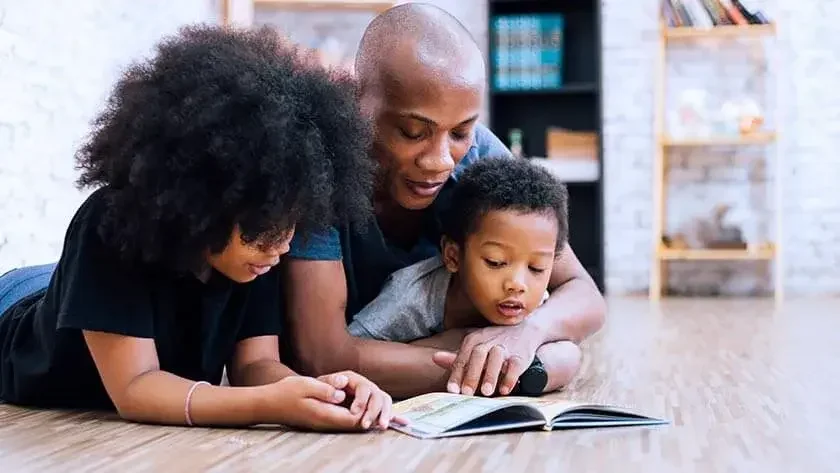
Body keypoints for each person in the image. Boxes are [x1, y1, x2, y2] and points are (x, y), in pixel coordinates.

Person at [0, 25, 404, 432]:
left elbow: (256, 365)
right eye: (265, 230)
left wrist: (325, 393)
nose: (281, 246)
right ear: (205, 199)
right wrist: (270, 405)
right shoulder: (109, 225)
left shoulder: (260, 249)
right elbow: (136, 388)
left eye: (292, 227)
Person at [282, 3, 606, 400]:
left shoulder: (480, 154)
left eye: (460, 131)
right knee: (560, 360)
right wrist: (488, 363)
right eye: (413, 132)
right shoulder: (319, 168)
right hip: (364, 358)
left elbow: (582, 292)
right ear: (358, 103)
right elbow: (321, 356)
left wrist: (527, 333)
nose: (439, 160)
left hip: (405, 363)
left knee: (564, 356)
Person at [347, 158, 583, 396]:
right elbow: (350, 352)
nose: (517, 284)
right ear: (453, 256)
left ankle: (510, 379)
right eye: (496, 262)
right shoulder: (410, 297)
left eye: (537, 268)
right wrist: (451, 342)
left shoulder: (536, 303)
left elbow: (569, 354)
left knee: (568, 355)